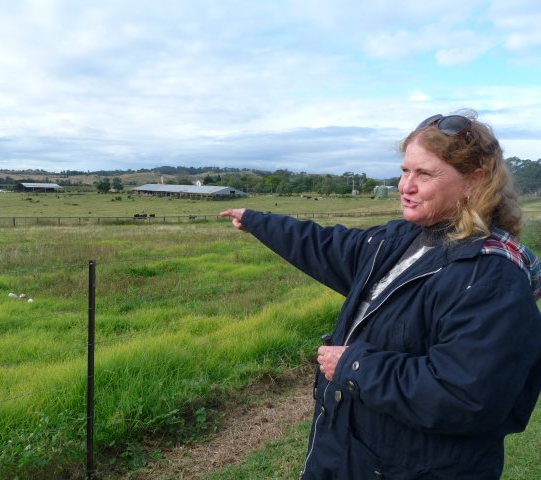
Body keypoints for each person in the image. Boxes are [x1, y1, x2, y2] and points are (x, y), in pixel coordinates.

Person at [220, 112, 541, 479]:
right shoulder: (402, 239)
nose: (406, 185)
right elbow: (326, 245)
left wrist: (355, 367)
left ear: (474, 181)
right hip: (355, 454)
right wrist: (259, 221)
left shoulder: (490, 277)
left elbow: (467, 397)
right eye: (405, 170)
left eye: (425, 174)